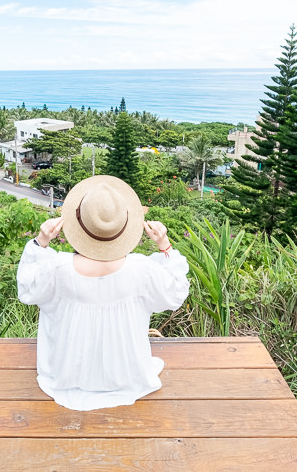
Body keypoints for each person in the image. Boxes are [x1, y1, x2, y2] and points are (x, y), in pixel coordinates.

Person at [16, 174, 190, 411]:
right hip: (127, 377)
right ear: (124, 225)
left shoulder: (57, 268)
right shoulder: (142, 270)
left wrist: (40, 242)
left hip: (66, 377)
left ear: (79, 225)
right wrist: (165, 245)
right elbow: (176, 292)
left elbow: (27, 287)